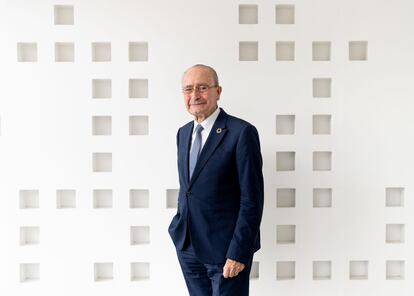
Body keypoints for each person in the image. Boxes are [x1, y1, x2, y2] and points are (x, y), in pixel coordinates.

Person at [168, 64, 264, 296]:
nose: (195, 95)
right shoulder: (183, 133)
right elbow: (188, 189)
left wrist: (239, 252)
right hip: (188, 245)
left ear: (218, 91)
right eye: (188, 89)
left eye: (202, 87)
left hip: (226, 251)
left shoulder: (241, 132)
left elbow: (252, 199)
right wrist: (178, 226)